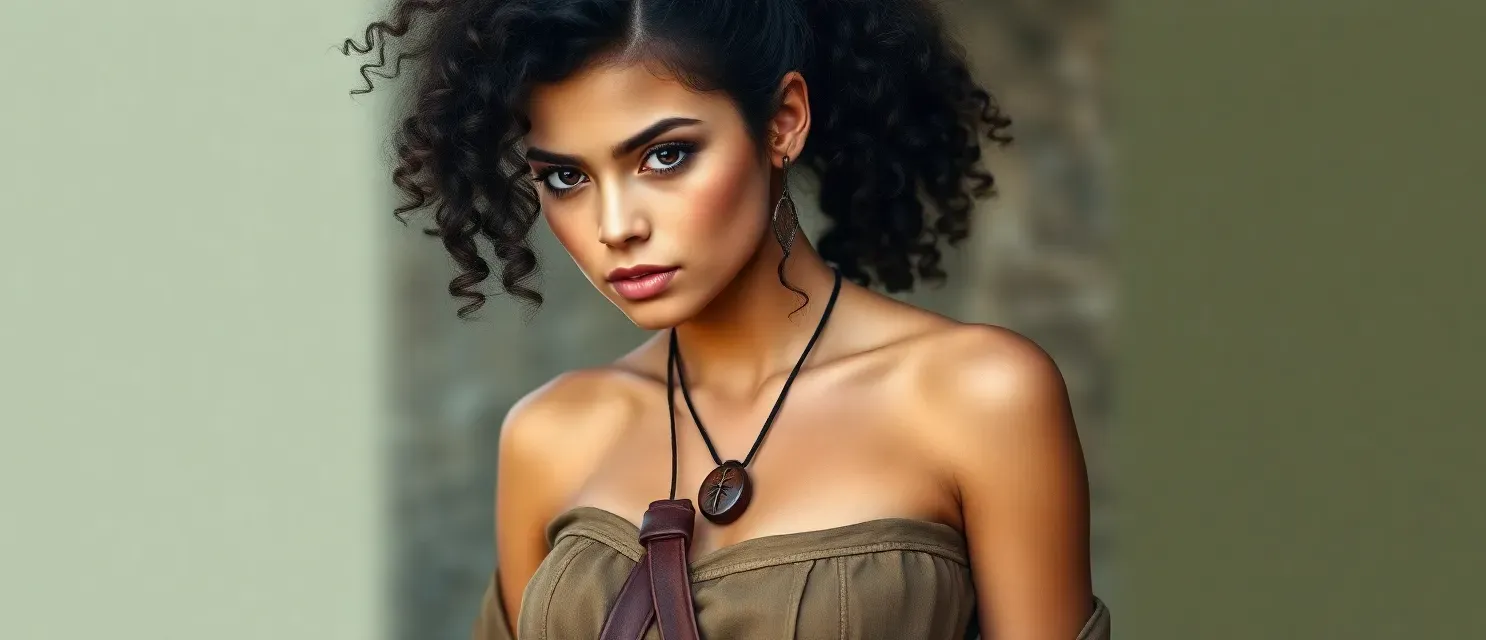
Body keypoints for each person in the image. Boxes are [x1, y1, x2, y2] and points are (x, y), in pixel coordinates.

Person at [345, 0, 1108, 637]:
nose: (616, 225)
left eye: (665, 157)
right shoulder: (550, 434)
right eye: (567, 177)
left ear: (782, 122)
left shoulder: (977, 396)